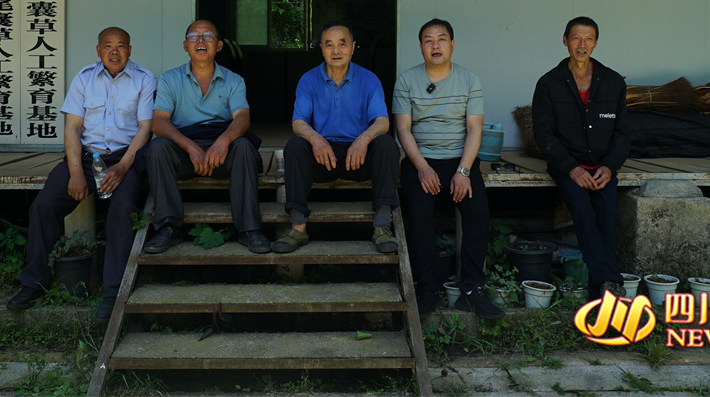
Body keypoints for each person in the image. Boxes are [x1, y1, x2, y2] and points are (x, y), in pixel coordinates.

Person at [6, 27, 157, 324]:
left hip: (124, 159)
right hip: (86, 158)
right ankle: (33, 283)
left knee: (123, 211)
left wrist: (123, 167)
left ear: (130, 50)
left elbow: (145, 129)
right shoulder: (84, 78)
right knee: (43, 206)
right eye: (108, 45)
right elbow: (73, 128)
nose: (114, 51)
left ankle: (112, 294)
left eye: (121, 46)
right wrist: (76, 172)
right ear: (98, 50)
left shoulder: (144, 79)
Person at [394, 19, 503, 320]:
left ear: (452, 45)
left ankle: (472, 289)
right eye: (428, 40)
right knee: (419, 215)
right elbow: (402, 129)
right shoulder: (407, 80)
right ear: (421, 47)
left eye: (441, 39)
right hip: (420, 159)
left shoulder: (469, 79)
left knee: (478, 214)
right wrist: (422, 168)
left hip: (460, 160)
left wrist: (464, 171)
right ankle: (427, 288)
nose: (435, 45)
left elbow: (475, 128)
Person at [142, 20, 270, 255]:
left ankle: (250, 229)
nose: (200, 41)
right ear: (185, 46)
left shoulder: (234, 80)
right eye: (194, 37)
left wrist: (222, 142)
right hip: (185, 151)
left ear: (219, 46)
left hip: (221, 152)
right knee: (158, 148)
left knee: (243, 146)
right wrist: (190, 147)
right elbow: (158, 122)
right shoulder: (170, 79)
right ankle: (168, 228)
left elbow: (242, 118)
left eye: (208, 36)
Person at [273, 19, 400, 254]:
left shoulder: (369, 79)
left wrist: (363, 140)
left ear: (352, 47)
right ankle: (298, 228)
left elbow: (382, 121)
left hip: (358, 158)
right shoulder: (309, 79)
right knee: (296, 145)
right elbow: (298, 122)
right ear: (321, 49)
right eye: (329, 45)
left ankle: (382, 226)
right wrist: (316, 139)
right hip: (324, 158)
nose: (336, 51)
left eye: (342, 44)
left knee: (386, 145)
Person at [531, 16, 630, 302]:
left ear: (596, 43)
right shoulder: (549, 83)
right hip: (567, 166)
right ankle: (610, 282)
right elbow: (543, 134)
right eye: (576, 38)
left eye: (588, 38)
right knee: (583, 211)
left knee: (607, 214)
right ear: (565, 41)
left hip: (602, 167)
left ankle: (600, 292)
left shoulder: (613, 82)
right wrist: (571, 168)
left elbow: (623, 133)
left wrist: (609, 167)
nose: (582, 44)